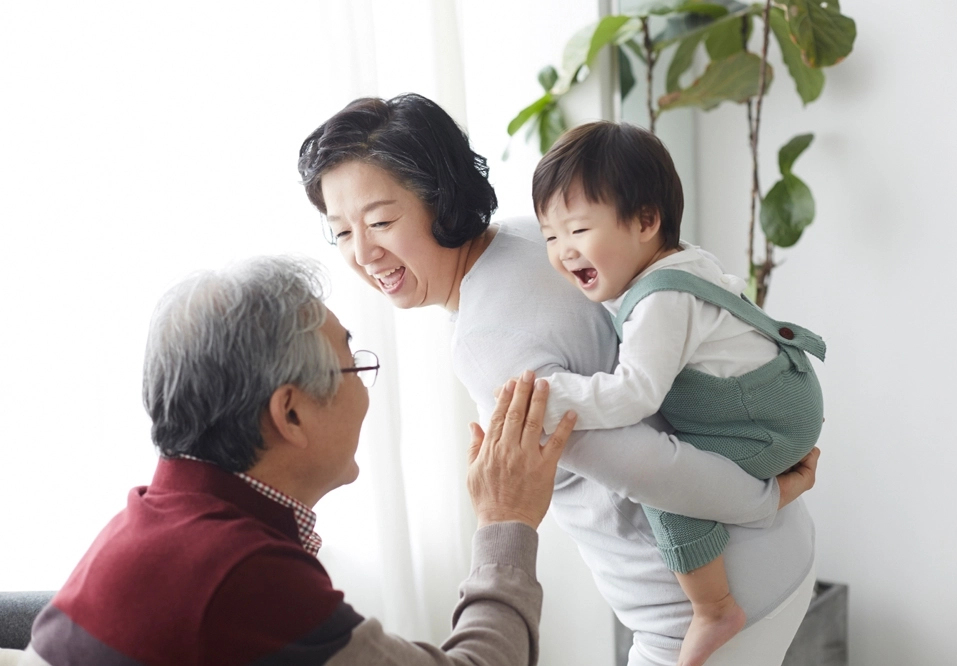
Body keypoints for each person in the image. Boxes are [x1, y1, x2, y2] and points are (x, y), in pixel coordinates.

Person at [298, 93, 821, 666]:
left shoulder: (487, 342)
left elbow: (647, 464)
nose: (364, 252)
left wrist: (764, 498)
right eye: (341, 232)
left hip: (709, 609)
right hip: (771, 559)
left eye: (380, 221)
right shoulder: (533, 240)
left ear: (440, 199)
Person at [19, 256, 576, 666]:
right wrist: (505, 522)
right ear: (290, 414)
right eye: (353, 365)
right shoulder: (240, 576)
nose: (366, 387)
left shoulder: (146, 523)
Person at [531, 121, 826, 666]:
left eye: (576, 230)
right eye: (550, 237)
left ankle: (715, 609)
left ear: (646, 221)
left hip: (763, 420)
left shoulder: (660, 302)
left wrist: (553, 394)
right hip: (773, 396)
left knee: (669, 490)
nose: (562, 252)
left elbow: (635, 394)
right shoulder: (673, 261)